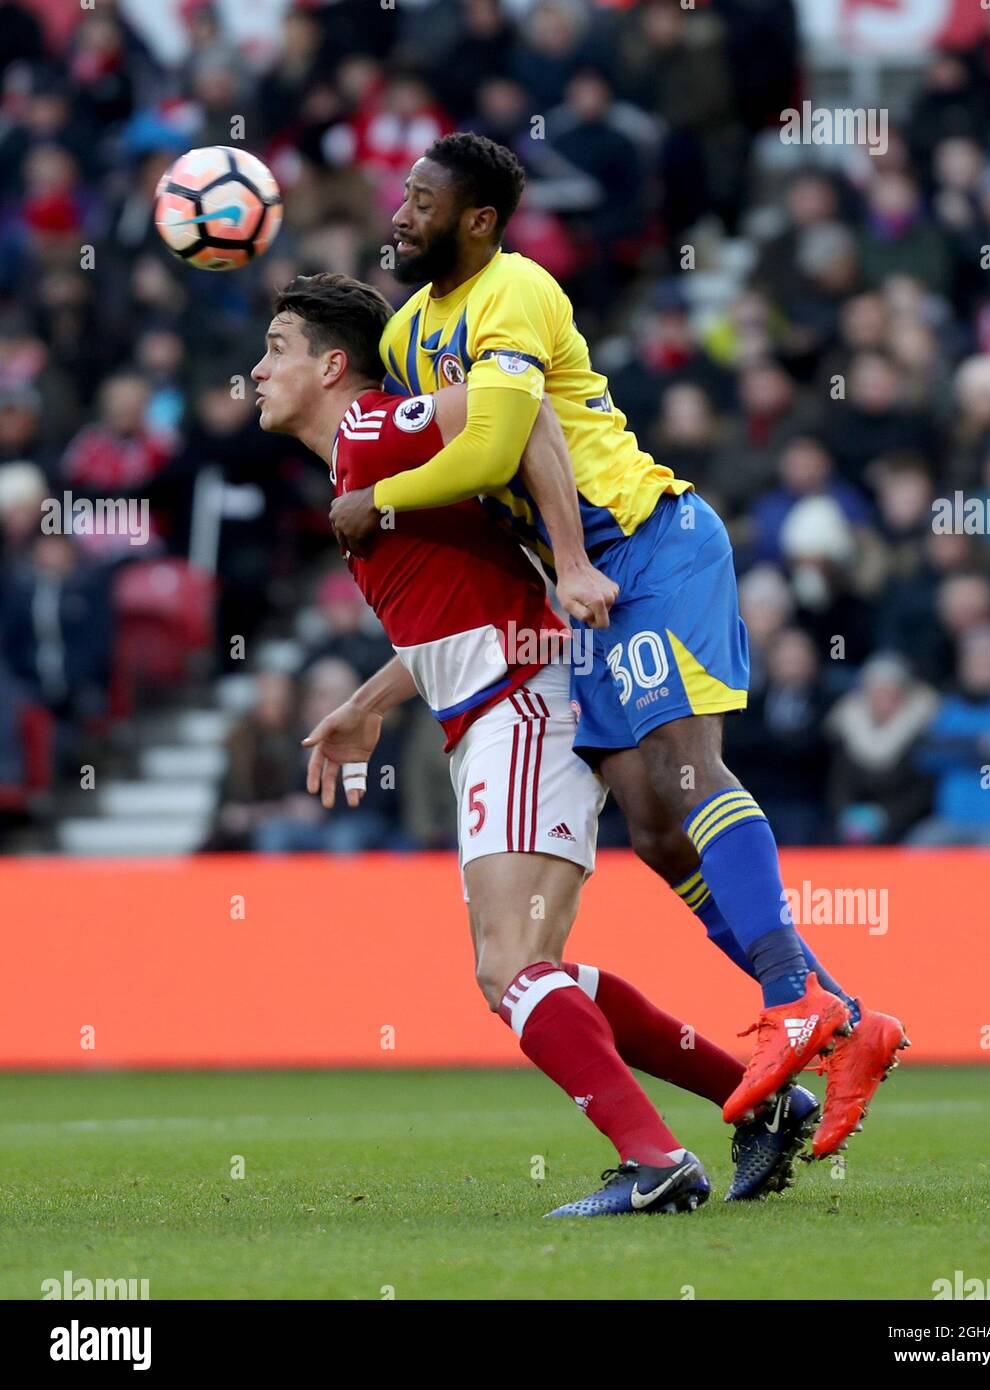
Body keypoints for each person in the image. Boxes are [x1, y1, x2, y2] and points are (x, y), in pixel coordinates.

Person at [328, 133, 908, 1160]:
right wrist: (387, 681)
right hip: (587, 581)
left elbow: (509, 439)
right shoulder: (415, 330)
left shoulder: (513, 290)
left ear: (477, 220)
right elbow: (507, 453)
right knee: (649, 824)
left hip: (646, 542)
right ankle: (850, 1021)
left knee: (688, 769)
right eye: (401, 197)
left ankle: (787, 995)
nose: (400, 215)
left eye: (421, 201)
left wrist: (378, 497)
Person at [252, 272, 820, 1214]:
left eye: (276, 347)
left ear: (332, 365)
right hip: (501, 703)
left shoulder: (370, 430)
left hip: (518, 708)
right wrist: (371, 700)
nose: (257, 370)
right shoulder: (360, 460)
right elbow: (459, 621)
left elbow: (522, 409)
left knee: (506, 967)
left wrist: (569, 561)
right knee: (534, 964)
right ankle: (751, 1103)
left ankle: (655, 1160)